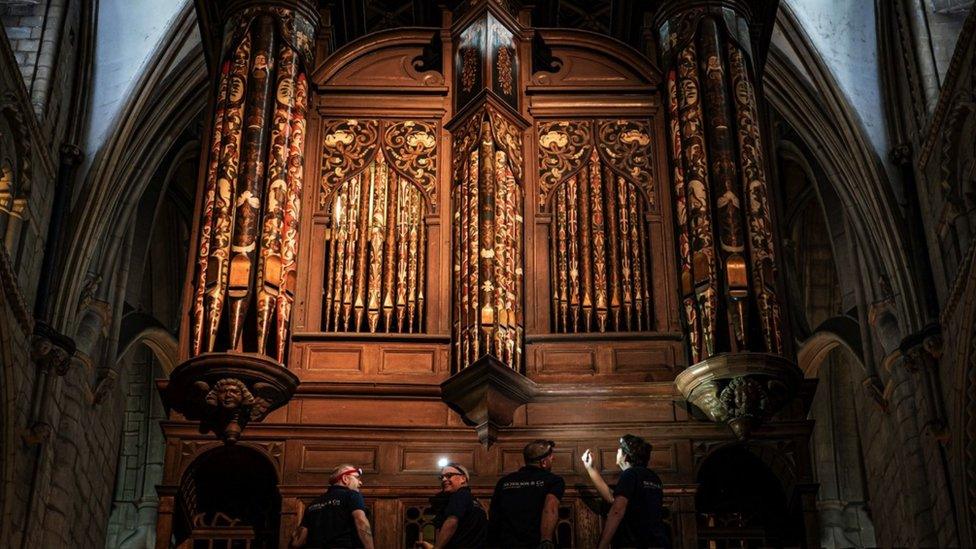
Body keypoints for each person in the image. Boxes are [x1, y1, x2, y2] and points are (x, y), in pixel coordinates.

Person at [581, 435, 670, 549]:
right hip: (658, 542)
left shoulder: (630, 475)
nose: (617, 451)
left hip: (636, 543)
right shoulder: (653, 477)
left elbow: (617, 510)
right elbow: (613, 498)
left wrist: (602, 545)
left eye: (619, 449)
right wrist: (590, 468)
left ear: (626, 456)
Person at [488, 440, 565, 548]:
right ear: (543, 462)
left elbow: (494, 515)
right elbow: (550, 507)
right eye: (551, 457)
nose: (553, 459)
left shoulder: (504, 481)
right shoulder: (553, 480)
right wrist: (546, 539)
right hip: (536, 544)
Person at [290, 464, 375, 549]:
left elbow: (297, 542)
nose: (360, 482)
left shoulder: (312, 504)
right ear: (345, 479)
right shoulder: (352, 495)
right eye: (357, 478)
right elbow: (361, 521)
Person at [417, 462, 487, 548]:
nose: (443, 479)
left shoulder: (460, 495)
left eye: (449, 475)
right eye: (442, 477)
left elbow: (451, 522)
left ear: (463, 478)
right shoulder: (475, 501)